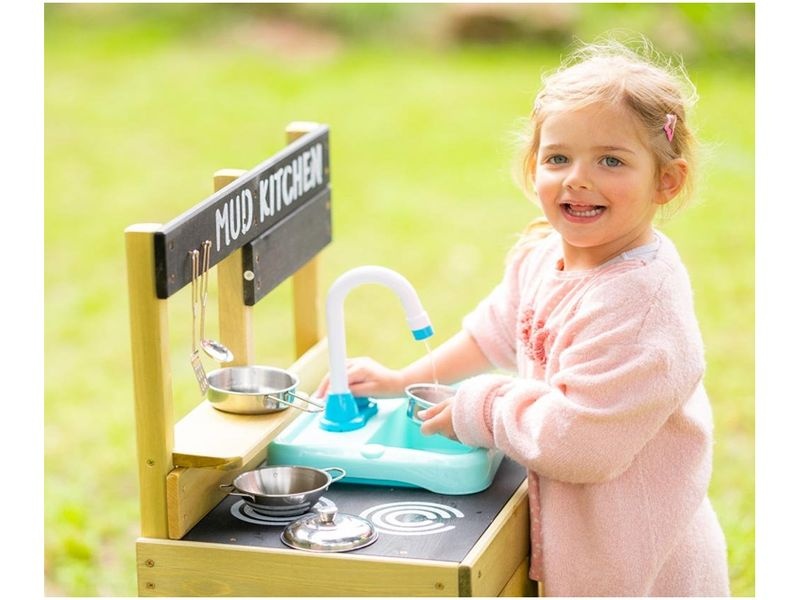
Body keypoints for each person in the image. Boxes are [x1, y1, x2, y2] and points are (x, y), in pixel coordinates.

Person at [316, 37, 729, 597]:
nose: (578, 177)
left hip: (641, 561)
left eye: (610, 160)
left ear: (666, 181)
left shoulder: (638, 304)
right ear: (534, 168)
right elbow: (493, 334)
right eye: (558, 158)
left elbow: (581, 444)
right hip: (586, 538)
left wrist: (483, 407)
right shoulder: (544, 255)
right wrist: (404, 379)